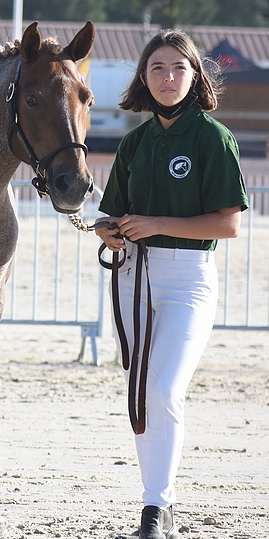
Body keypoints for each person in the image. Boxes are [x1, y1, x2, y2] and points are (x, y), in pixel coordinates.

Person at [94, 29, 249, 539]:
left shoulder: (213, 137)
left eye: (178, 68)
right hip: (132, 276)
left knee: (164, 388)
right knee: (141, 393)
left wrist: (157, 223)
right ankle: (154, 510)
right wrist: (108, 231)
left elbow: (227, 225)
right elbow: (111, 215)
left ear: (195, 75)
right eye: (157, 68)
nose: (167, 77)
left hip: (188, 280)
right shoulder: (135, 142)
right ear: (143, 77)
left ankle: (159, 506)